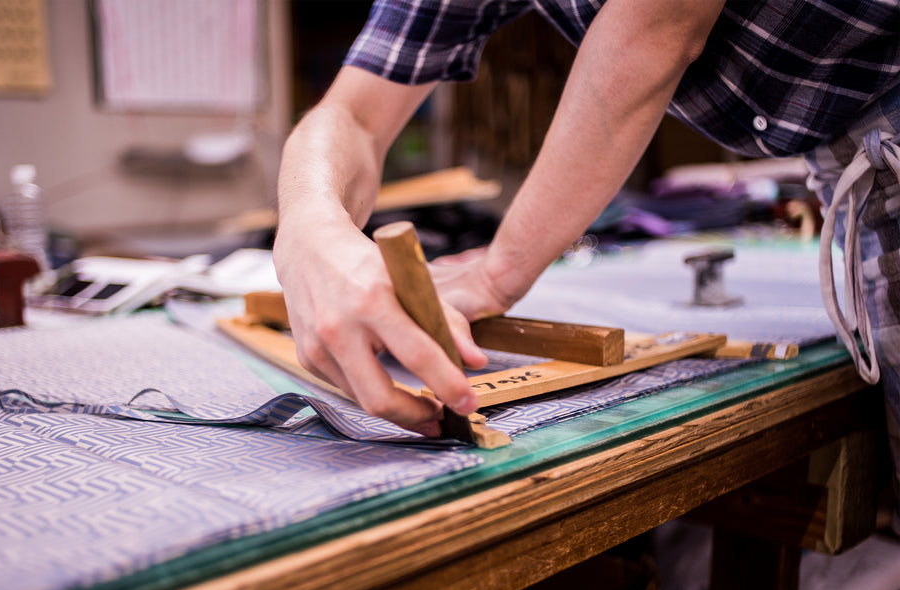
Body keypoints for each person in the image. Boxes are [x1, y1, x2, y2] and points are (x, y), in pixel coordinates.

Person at [272, 0, 900, 508]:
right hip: (857, 161)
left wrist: (495, 276)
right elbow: (352, 116)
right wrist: (307, 218)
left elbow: (656, 25)